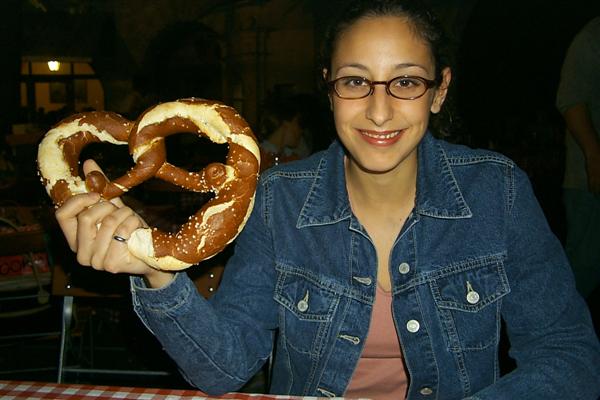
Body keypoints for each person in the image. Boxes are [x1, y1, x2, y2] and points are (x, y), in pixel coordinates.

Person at [55, 1, 600, 398]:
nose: (379, 111)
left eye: (406, 82)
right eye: (355, 82)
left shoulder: (498, 192)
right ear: (329, 87)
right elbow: (223, 369)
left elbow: (569, 355)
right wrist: (155, 272)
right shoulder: (278, 201)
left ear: (441, 90)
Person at [556, 16, 600, 299]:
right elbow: (571, 101)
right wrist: (594, 157)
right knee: (585, 265)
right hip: (588, 184)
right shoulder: (592, 37)